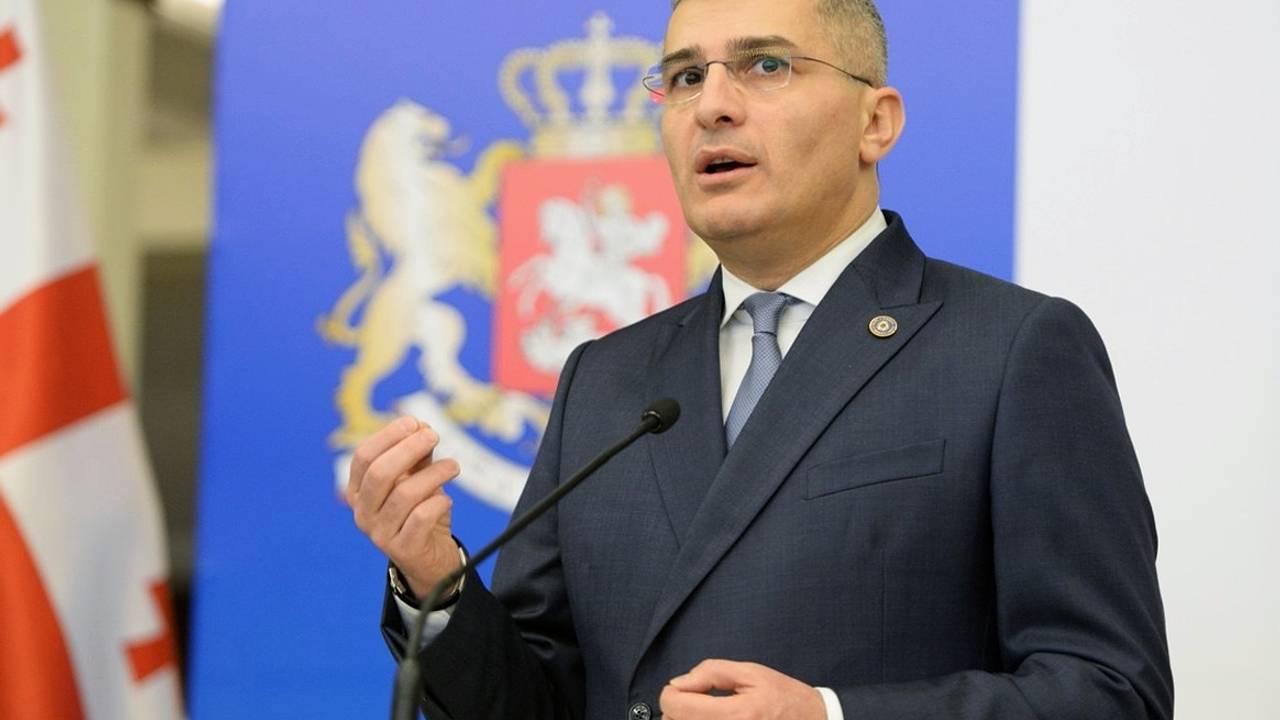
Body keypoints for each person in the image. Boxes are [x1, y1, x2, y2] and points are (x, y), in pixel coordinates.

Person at [346, 0, 1174, 717]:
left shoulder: (1012, 349)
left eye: (766, 65)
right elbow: (541, 700)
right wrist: (436, 580)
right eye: (684, 77)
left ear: (875, 122)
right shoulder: (607, 378)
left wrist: (831, 716)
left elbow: (1111, 691)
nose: (712, 106)